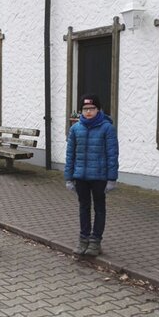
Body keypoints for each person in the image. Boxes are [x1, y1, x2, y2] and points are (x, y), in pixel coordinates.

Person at [64, 94, 119, 256]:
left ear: (98, 109)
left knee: (99, 209)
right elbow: (70, 155)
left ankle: (95, 241)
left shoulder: (107, 128)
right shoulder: (75, 129)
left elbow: (112, 154)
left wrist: (112, 178)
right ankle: (83, 239)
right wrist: (68, 177)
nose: (88, 112)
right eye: (85, 109)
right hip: (80, 176)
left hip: (100, 177)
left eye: (92, 109)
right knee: (84, 208)